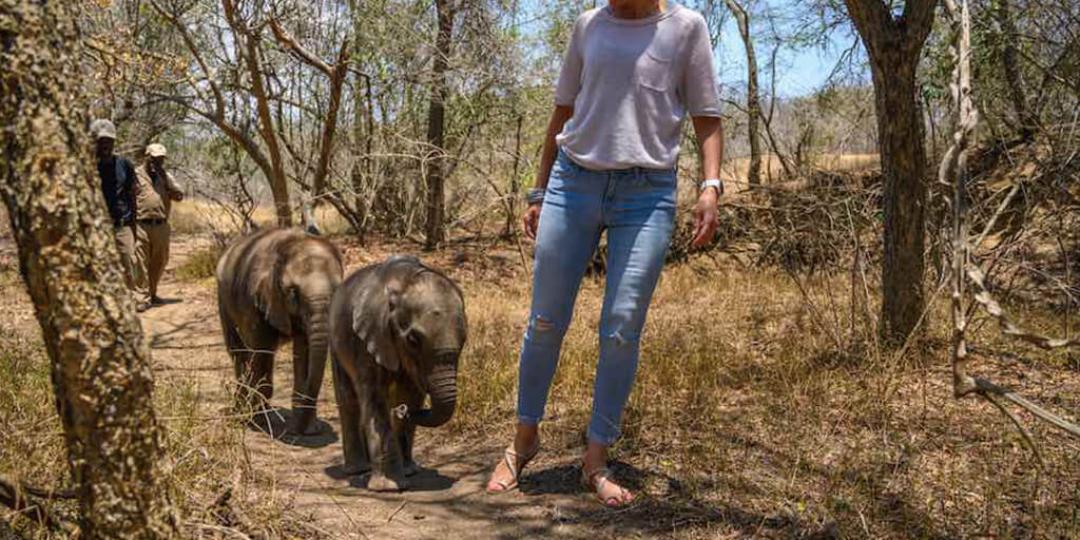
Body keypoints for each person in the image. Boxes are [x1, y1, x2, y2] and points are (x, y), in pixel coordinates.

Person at [486, 0, 724, 507]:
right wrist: (538, 191)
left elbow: (706, 115)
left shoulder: (686, 28)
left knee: (621, 326)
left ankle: (595, 457)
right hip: (572, 184)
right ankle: (523, 441)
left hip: (647, 191)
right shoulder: (588, 26)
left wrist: (710, 187)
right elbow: (562, 111)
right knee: (545, 319)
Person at [91, 119, 142, 301]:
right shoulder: (86, 166)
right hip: (95, 228)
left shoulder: (124, 164)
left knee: (129, 262)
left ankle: (132, 300)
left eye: (109, 141)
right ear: (94, 142)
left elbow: (132, 195)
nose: (105, 145)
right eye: (101, 141)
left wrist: (133, 227)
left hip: (122, 225)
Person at [134, 143, 184, 307]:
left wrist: (167, 182)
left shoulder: (166, 176)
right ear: (147, 157)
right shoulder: (136, 174)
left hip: (161, 225)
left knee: (160, 260)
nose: (158, 163)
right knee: (140, 262)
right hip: (141, 224)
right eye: (155, 159)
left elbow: (179, 196)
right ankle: (142, 297)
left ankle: (153, 293)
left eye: (161, 160)